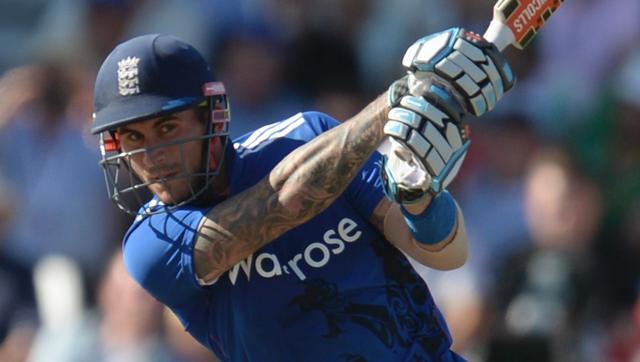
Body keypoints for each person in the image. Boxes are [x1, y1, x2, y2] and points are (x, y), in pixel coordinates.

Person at [90, 30, 514, 361]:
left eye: (167, 128)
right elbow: (283, 202)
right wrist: (395, 101)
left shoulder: (305, 136)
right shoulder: (151, 242)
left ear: (212, 117)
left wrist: (419, 198)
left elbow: (446, 254)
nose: (152, 155)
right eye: (132, 136)